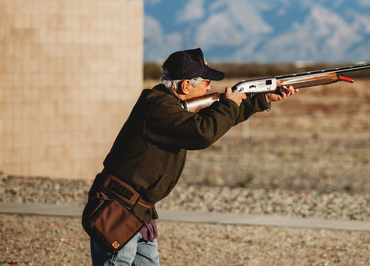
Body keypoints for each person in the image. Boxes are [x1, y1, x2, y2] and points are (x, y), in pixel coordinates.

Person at [82, 48, 297, 266]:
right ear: (186, 86)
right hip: (119, 210)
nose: (209, 88)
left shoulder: (170, 105)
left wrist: (261, 99)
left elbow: (216, 120)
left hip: (139, 213)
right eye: (205, 83)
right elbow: (203, 132)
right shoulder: (159, 107)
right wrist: (229, 103)